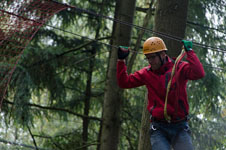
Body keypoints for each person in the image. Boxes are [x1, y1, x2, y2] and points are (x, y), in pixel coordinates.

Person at [116, 37, 205, 150]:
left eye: (153, 57)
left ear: (163, 54)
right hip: (159, 128)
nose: (150, 61)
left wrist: (190, 51)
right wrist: (121, 61)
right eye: (148, 58)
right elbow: (124, 83)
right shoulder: (146, 73)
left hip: (180, 126)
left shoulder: (179, 68)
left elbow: (199, 73)